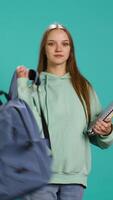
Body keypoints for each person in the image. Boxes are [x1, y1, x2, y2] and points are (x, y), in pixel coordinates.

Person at [16, 23, 113, 200]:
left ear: (71, 50)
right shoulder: (34, 89)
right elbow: (26, 126)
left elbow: (99, 138)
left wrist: (106, 131)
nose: (59, 48)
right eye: (51, 43)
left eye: (65, 43)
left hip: (75, 179)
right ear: (44, 49)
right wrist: (22, 86)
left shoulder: (84, 88)